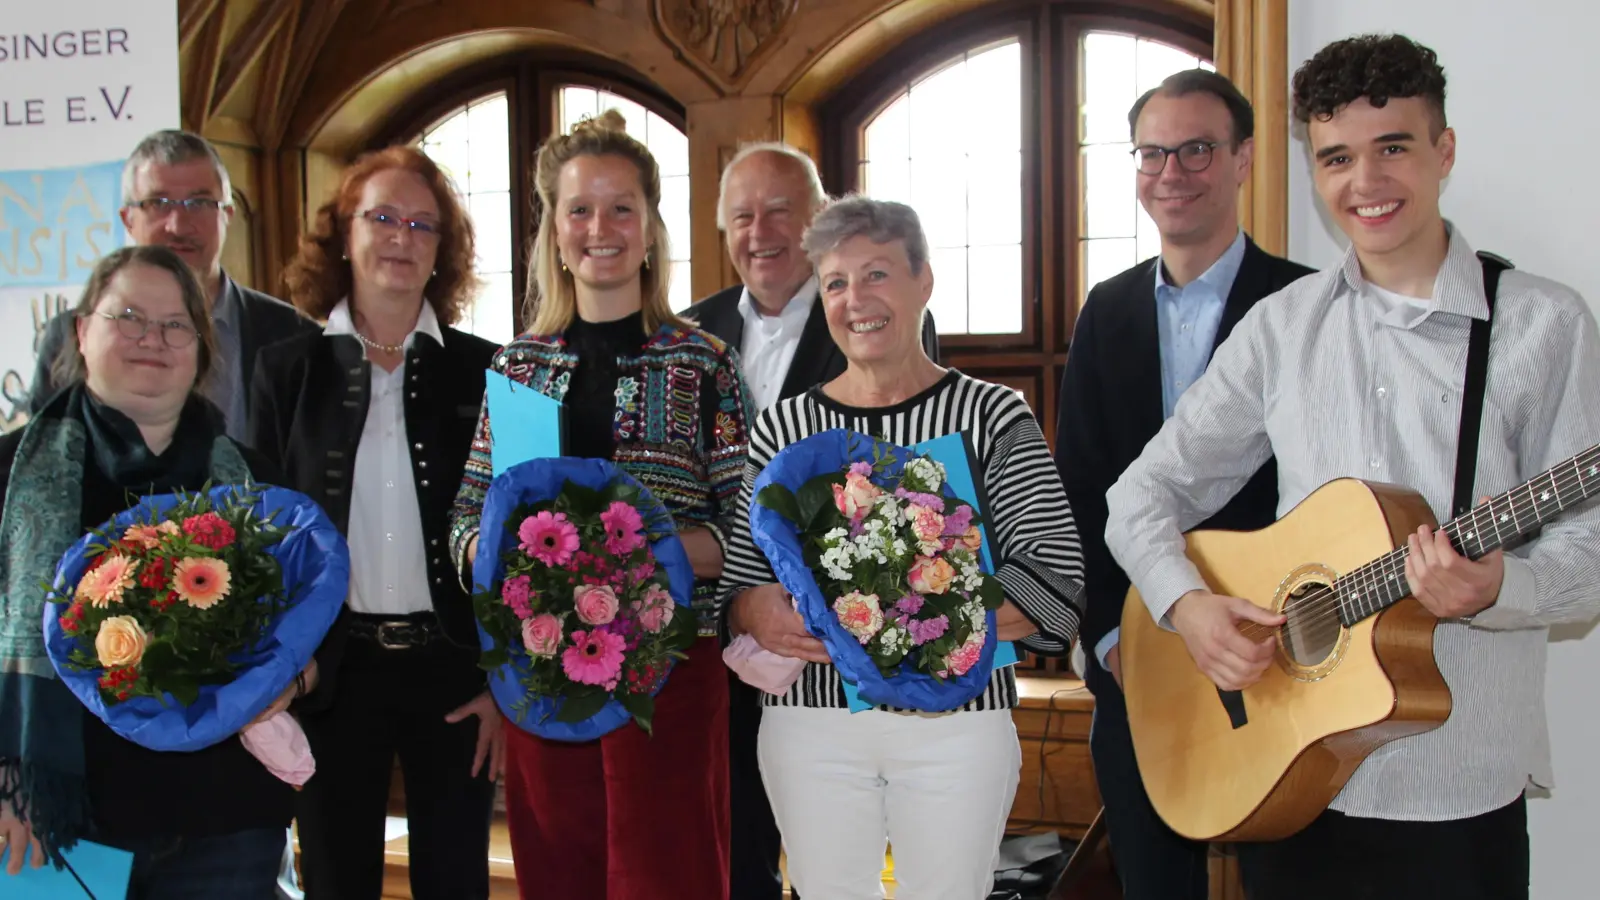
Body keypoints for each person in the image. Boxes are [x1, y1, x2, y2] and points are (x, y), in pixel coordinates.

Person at [1104, 34, 1600, 900]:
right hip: (1287, 777)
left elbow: (1592, 551)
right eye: (1336, 158)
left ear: (1444, 151)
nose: (1364, 184)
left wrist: (1498, 589)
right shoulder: (1280, 327)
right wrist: (1187, 607)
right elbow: (1142, 493)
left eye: (1393, 149)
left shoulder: (1540, 324)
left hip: (1458, 781)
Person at [717, 194, 1083, 900]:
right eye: (835, 283)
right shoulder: (783, 428)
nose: (856, 300)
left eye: (877, 274)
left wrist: (921, 619)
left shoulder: (990, 413)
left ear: (924, 282)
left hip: (957, 726)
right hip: (812, 727)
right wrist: (752, 610)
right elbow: (738, 586)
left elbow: (1055, 575)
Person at [449, 109, 749, 900]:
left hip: (674, 672)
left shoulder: (703, 362)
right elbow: (462, 523)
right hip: (547, 674)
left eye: (622, 208)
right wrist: (491, 558)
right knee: (562, 876)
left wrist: (672, 554)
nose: (600, 227)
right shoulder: (517, 368)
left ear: (651, 229)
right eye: (579, 208)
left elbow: (749, 523)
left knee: (670, 876)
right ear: (553, 230)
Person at [1053, 69, 1312, 900]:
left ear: (1242, 159)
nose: (1173, 172)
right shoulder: (1107, 309)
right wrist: (1109, 641)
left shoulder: (1305, 303)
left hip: (1276, 648)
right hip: (1141, 657)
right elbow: (1084, 484)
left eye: (1197, 149)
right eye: (1153, 152)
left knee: (1286, 879)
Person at [0, 246, 325, 896]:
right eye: (128, 317)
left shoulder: (253, 479)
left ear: (201, 348)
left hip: (223, 821)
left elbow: (320, 615)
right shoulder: (10, 474)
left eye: (176, 324)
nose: (153, 339)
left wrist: (296, 676)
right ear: (81, 332)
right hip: (58, 818)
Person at [681, 140, 941, 900]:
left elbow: (913, 483)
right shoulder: (688, 335)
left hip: (835, 640)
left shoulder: (870, 319)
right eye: (741, 216)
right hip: (715, 625)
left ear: (818, 219)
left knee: (836, 854)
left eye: (779, 212)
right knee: (732, 839)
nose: (759, 232)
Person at [248, 145, 502, 900]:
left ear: (442, 252)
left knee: (457, 880)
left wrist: (505, 684)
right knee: (335, 879)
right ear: (344, 234)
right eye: (382, 216)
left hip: (456, 670)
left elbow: (524, 539)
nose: (402, 236)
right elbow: (261, 540)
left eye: (423, 224)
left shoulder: (487, 369)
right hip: (332, 672)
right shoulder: (284, 371)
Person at [29, 130, 317, 443]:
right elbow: (39, 465)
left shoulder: (294, 335)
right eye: (158, 203)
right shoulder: (68, 336)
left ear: (228, 216)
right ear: (128, 220)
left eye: (200, 202)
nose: (178, 225)